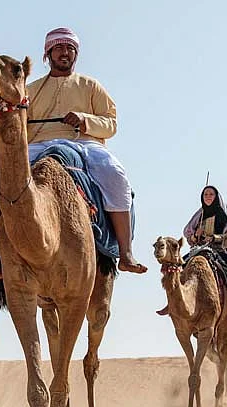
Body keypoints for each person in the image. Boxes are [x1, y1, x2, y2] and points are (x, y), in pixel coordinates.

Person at [25, 27, 146, 274]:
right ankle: (1, 254)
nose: (65, 53)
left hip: (85, 143)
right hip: (39, 145)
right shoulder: (31, 89)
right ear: (48, 54)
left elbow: (111, 124)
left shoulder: (91, 85)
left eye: (70, 48)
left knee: (115, 173)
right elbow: (20, 126)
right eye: (59, 48)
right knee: (4, 180)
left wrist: (84, 119)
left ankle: (125, 252)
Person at [157, 185, 227, 316]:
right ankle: (171, 301)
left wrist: (214, 237)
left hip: (220, 248)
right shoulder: (199, 214)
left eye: (211, 194)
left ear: (216, 197)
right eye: (205, 194)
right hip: (200, 248)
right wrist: (195, 235)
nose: (208, 197)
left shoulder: (224, 213)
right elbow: (187, 232)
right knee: (177, 267)